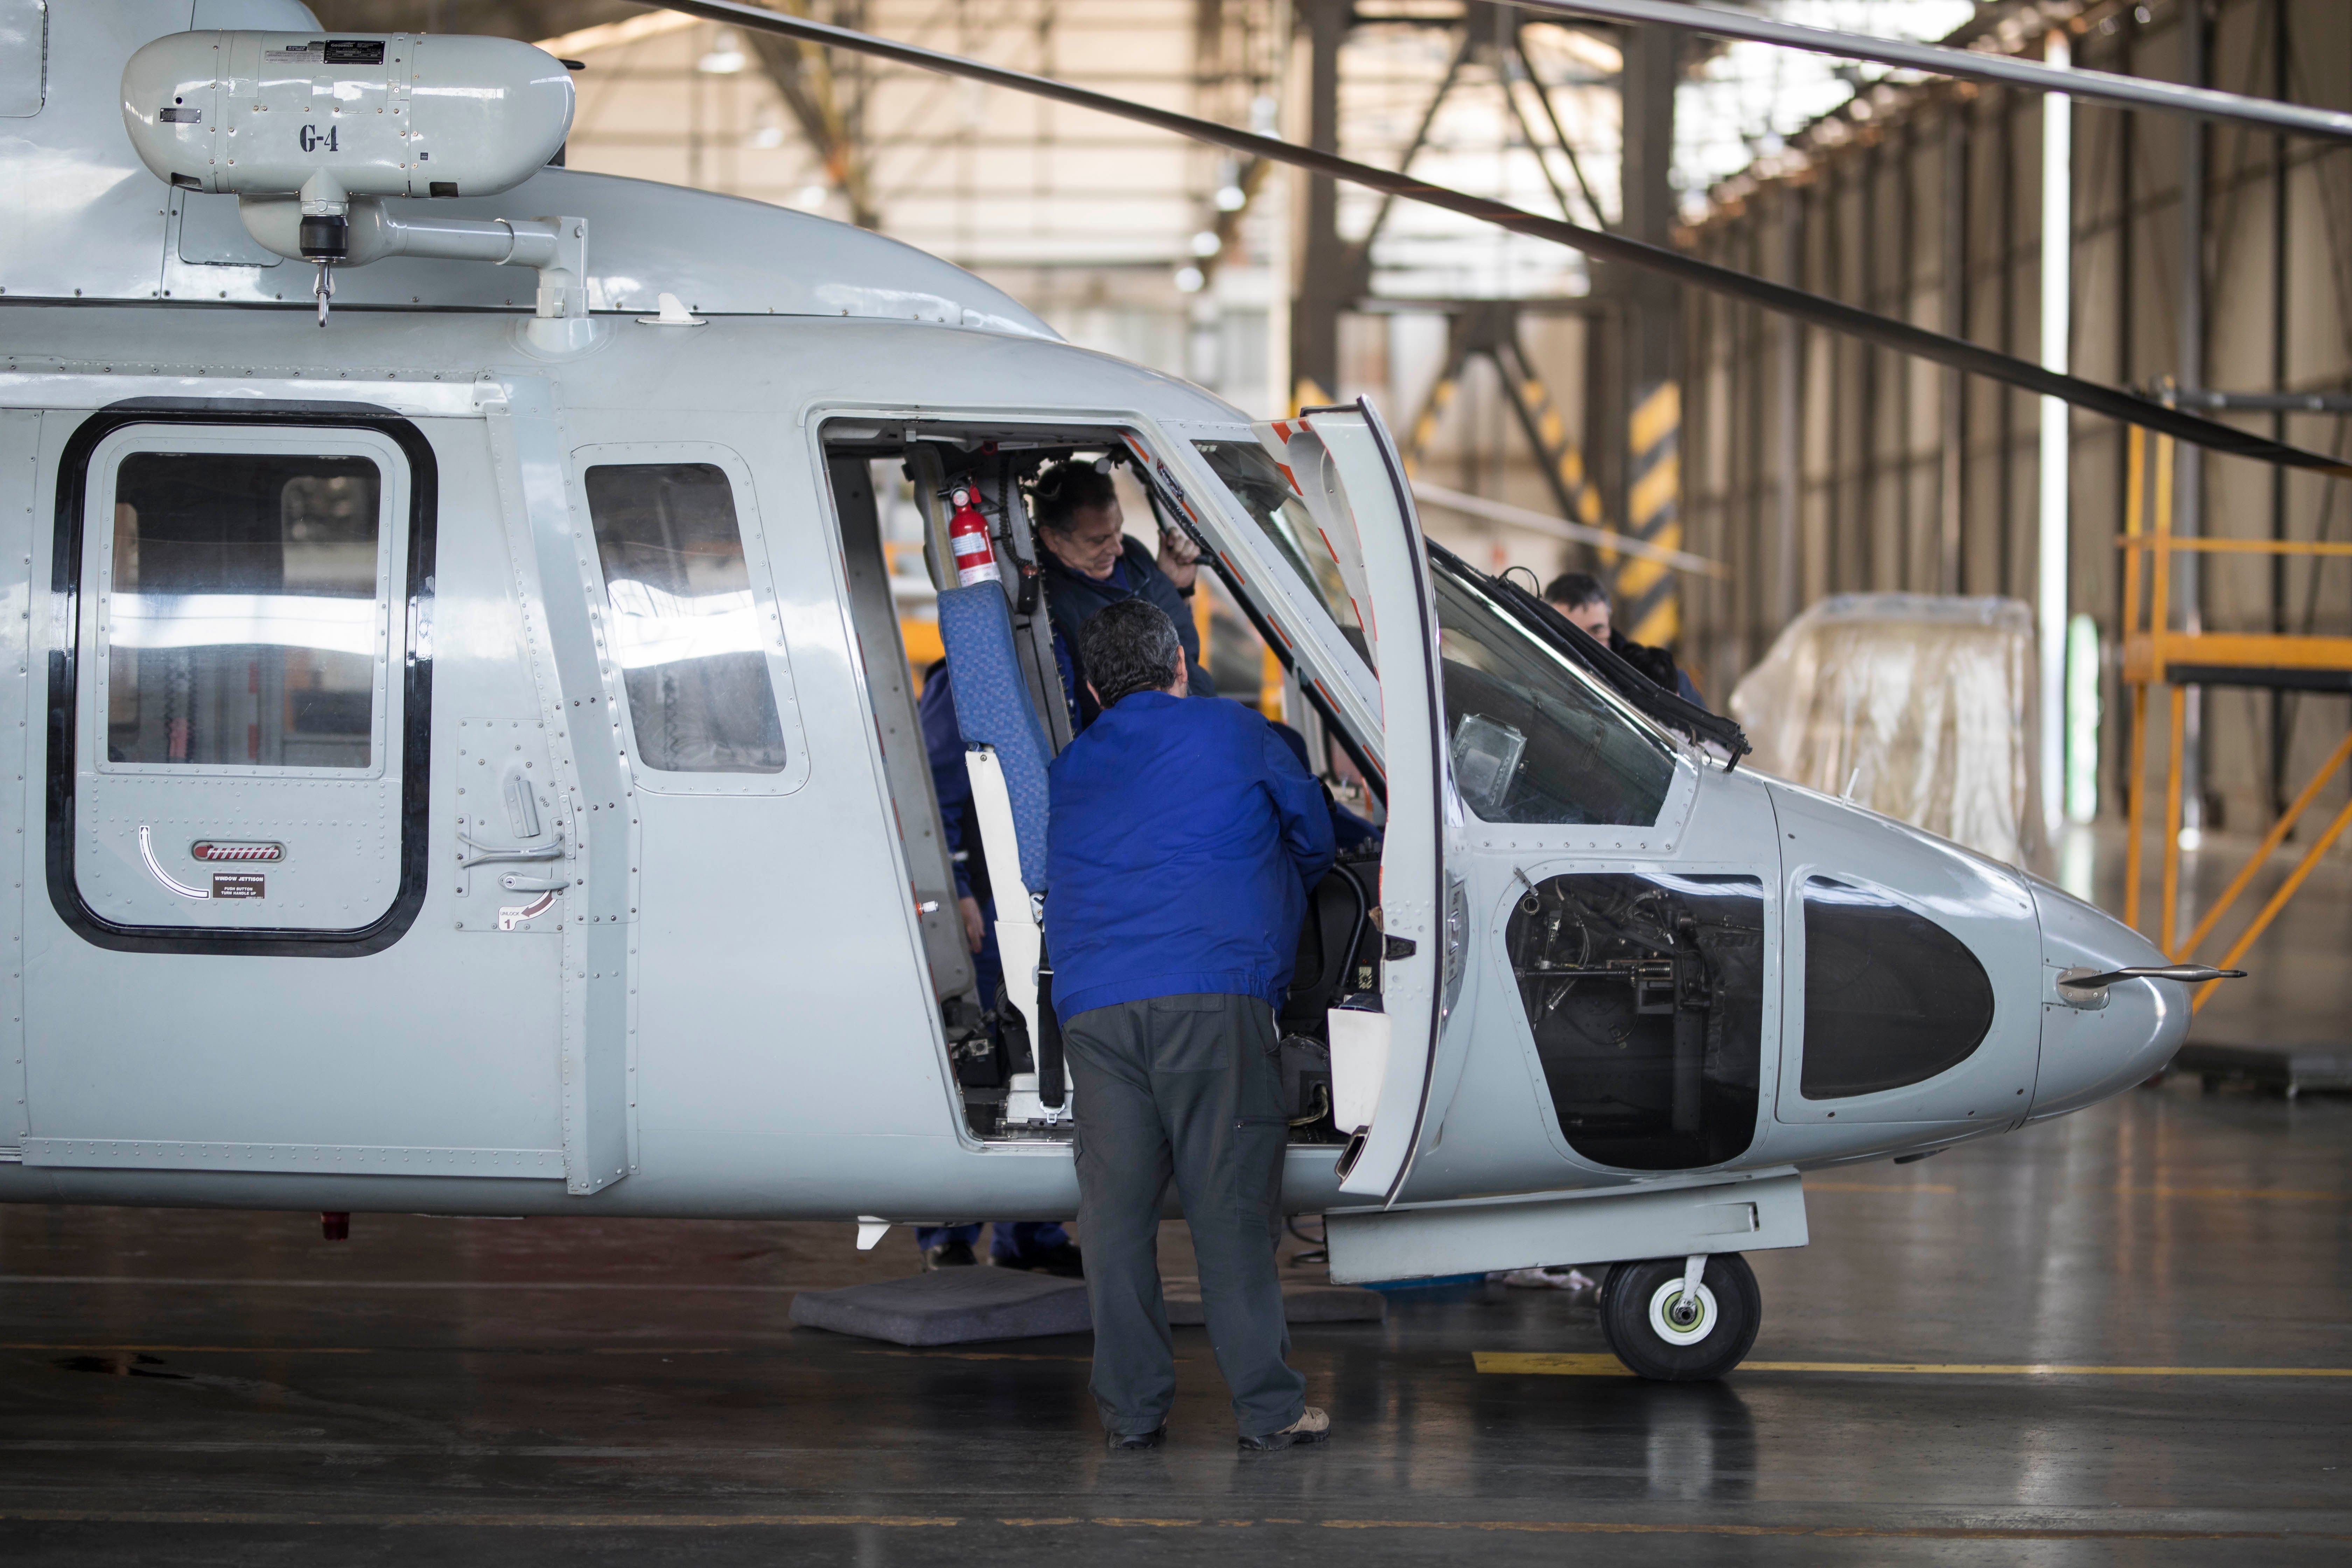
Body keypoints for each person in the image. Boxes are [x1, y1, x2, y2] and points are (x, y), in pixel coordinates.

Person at [1045, 599, 1335, 1453]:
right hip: (1213, 996)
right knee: (1230, 1209)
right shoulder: (1234, 731)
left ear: (1095, 689)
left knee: (1115, 1219)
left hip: (1093, 1009)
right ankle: (1269, 1410)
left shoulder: (1068, 767)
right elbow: (1313, 839)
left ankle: (1133, 1415)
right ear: (1180, 664)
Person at [907, 659, 1084, 1278]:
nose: (1114, 552)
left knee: (1038, 1066)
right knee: (979, 1062)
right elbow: (934, 788)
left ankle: (1028, 1230)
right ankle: (949, 1229)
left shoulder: (1048, 654)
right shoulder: (971, 674)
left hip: (1038, 902)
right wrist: (952, 887)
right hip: (987, 903)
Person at [1028, 458, 1215, 724]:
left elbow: (1184, 651)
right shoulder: (1046, 606)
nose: (1117, 548)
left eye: (1118, 530)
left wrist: (1179, 588)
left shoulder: (1134, 556)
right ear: (1051, 538)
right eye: (1098, 540)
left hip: (1201, 715)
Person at [1544, 570, 1707, 709]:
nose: (1586, 649)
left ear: (1609, 625)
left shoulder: (1661, 682)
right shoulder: (1534, 684)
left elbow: (1713, 744)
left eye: (1597, 634)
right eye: (1570, 637)